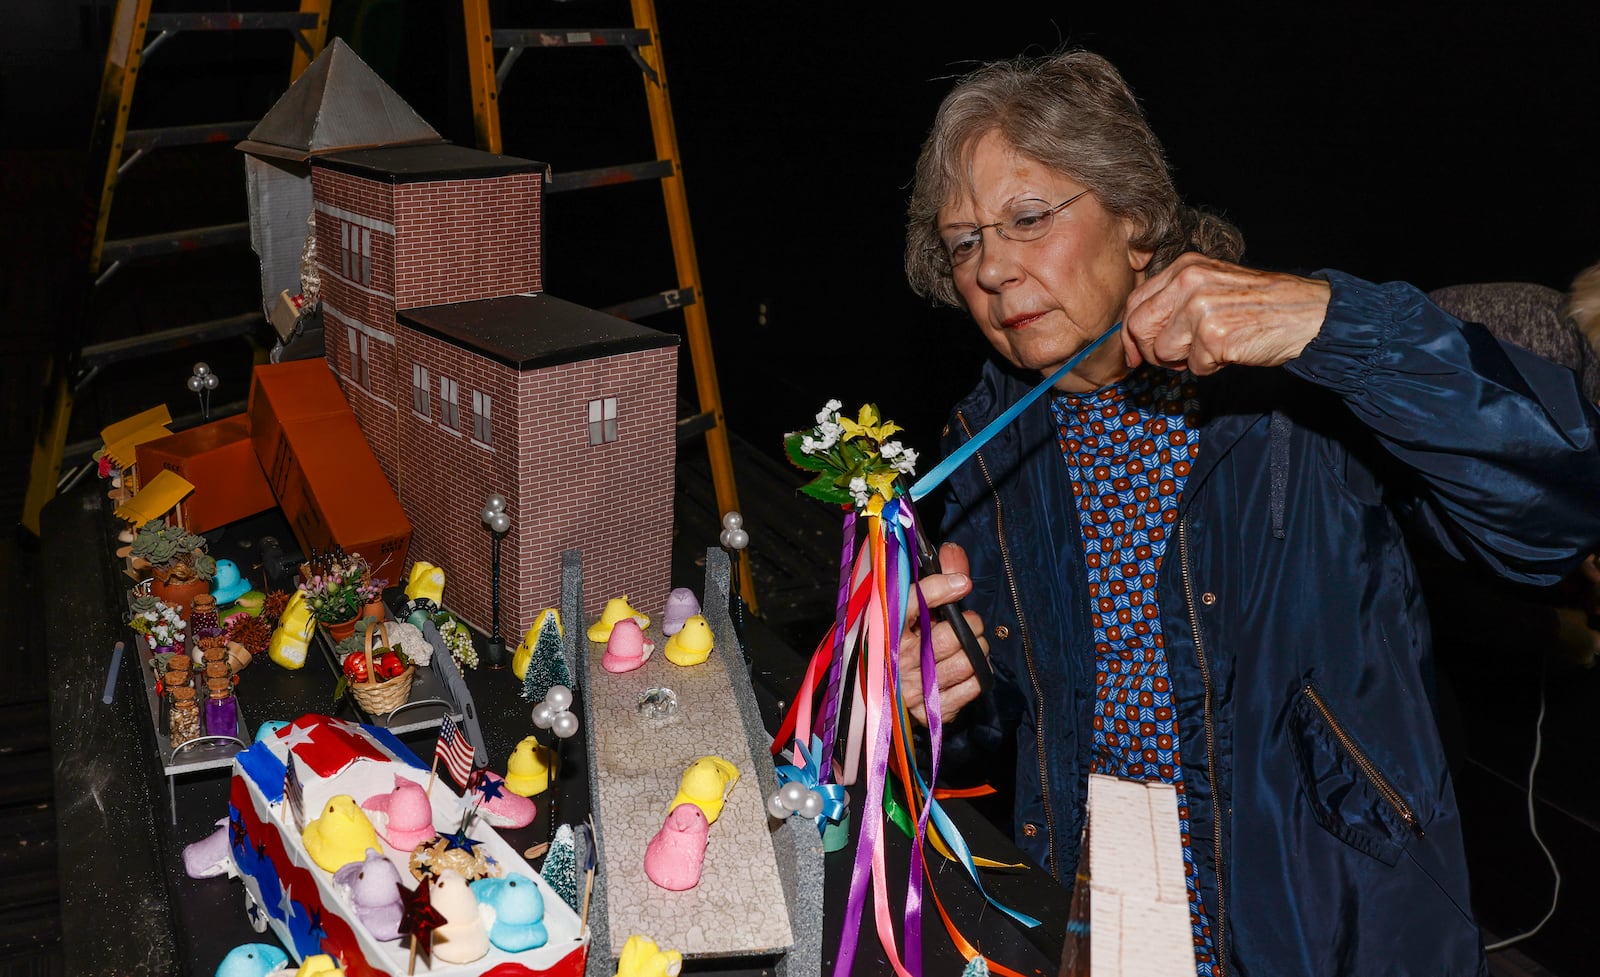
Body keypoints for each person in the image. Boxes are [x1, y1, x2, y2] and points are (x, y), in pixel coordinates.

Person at [895, 49, 1600, 977]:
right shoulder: (988, 440)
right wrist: (941, 685)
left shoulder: (1294, 392)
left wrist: (1334, 326)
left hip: (1325, 917)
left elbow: (1555, 506)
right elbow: (1018, 711)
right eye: (964, 241)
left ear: (1136, 218)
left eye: (1027, 218)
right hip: (1099, 898)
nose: (990, 269)